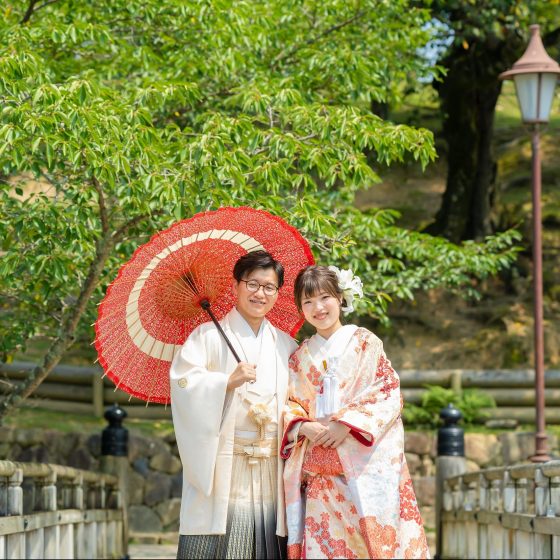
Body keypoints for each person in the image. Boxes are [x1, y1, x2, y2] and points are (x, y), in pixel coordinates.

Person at [281, 265, 430, 559]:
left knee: (367, 546)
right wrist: (302, 426)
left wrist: (347, 424)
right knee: (325, 547)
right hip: (320, 471)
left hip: (362, 467)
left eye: (325, 297)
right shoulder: (298, 357)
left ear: (340, 298)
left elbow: (386, 390)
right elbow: (289, 402)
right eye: (308, 301)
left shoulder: (365, 342)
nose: (318, 308)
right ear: (300, 308)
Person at [170, 250, 297, 559]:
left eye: (269, 287)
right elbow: (183, 383)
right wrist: (225, 382)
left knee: (267, 544)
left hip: (270, 465)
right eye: (252, 284)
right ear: (235, 286)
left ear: (277, 293)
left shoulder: (286, 345)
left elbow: (300, 400)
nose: (260, 293)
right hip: (224, 461)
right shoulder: (206, 337)